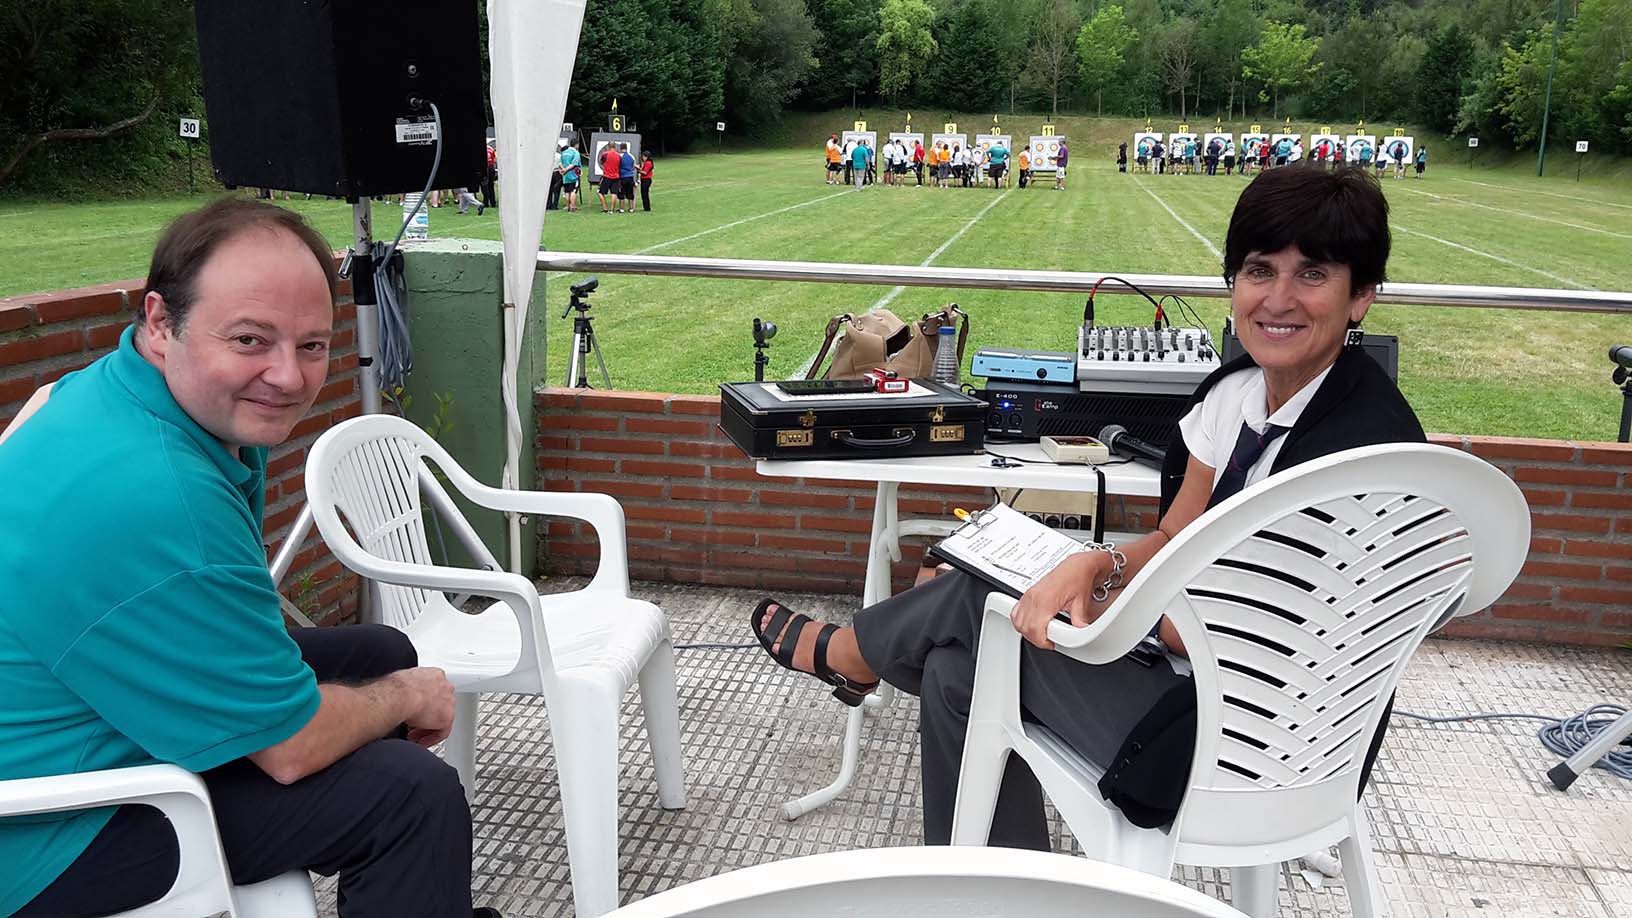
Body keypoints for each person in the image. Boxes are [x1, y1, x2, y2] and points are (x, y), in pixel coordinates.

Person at [746, 166, 1422, 848]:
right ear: (1233, 283)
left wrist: (1091, 599)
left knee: (980, 603)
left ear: (1361, 295)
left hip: (1257, 746)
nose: (1278, 299)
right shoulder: (1236, 395)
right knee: (958, 668)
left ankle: (854, 654)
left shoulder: (1362, 455)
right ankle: (999, 890)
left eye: (1312, 274)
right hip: (1199, 685)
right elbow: (1173, 538)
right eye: (1259, 270)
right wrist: (1097, 565)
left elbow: (1237, 635)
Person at [0, 198, 501, 918]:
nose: (288, 377)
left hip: (90, 698)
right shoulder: (164, 493)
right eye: (249, 340)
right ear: (161, 322)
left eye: (311, 344)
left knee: (381, 649)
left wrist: (390, 680)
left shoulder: (108, 392)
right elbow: (290, 750)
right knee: (409, 794)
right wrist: (406, 696)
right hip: (47, 827)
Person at [597, 142, 621, 213]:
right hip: (616, 177)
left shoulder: (605, 154)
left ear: (608, 146)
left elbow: (601, 162)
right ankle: (612, 210)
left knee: (600, 192)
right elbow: (620, 165)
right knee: (614, 193)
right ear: (615, 146)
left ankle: (605, 208)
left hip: (607, 177)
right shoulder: (618, 155)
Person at [559, 139, 582, 212]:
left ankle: (567, 206)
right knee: (573, 191)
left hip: (565, 176)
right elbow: (574, 164)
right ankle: (572, 207)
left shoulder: (564, 152)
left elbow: (560, 163)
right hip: (573, 175)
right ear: (576, 145)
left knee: (567, 191)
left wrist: (563, 169)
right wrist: (566, 170)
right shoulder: (576, 153)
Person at [618, 144, 637, 213]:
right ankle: (631, 209)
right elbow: (633, 166)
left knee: (621, 193)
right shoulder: (632, 156)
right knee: (630, 192)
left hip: (622, 177)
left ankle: (622, 209)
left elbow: (617, 166)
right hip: (630, 177)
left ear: (620, 148)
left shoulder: (619, 156)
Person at [547, 138, 565, 210]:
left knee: (549, 189)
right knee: (557, 190)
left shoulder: (547, 156)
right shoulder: (559, 155)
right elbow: (561, 164)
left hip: (549, 173)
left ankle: (548, 205)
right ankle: (555, 206)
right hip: (557, 172)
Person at [481, 140, 499, 211]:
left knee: (484, 185)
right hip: (491, 168)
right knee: (491, 185)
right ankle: (493, 202)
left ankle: (485, 203)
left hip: (484, 168)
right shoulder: (491, 149)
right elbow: (494, 160)